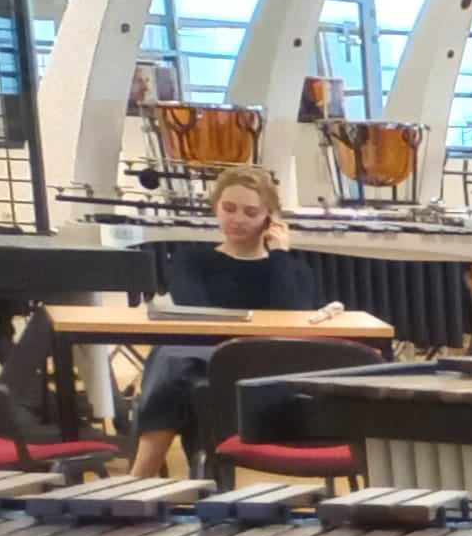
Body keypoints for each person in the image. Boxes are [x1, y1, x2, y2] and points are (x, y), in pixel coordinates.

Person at [120, 165, 333, 478]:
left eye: (251, 212)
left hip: (265, 363)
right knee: (176, 360)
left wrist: (279, 256)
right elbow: (199, 314)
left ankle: (141, 477)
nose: (238, 219)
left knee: (172, 359)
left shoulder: (292, 270)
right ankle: (177, 473)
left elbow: (291, 317)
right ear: (215, 208)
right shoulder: (191, 261)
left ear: (270, 217)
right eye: (229, 208)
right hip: (205, 356)